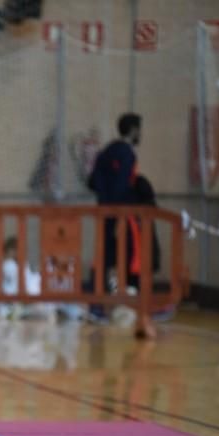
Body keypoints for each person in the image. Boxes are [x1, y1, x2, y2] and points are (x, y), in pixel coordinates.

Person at [87, 113, 141, 320]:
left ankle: (96, 305)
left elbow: (92, 181)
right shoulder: (127, 153)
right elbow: (121, 186)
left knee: (102, 257)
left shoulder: (106, 151)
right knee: (128, 256)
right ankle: (127, 301)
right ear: (134, 130)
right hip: (120, 215)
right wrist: (118, 207)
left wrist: (104, 196)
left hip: (103, 211)